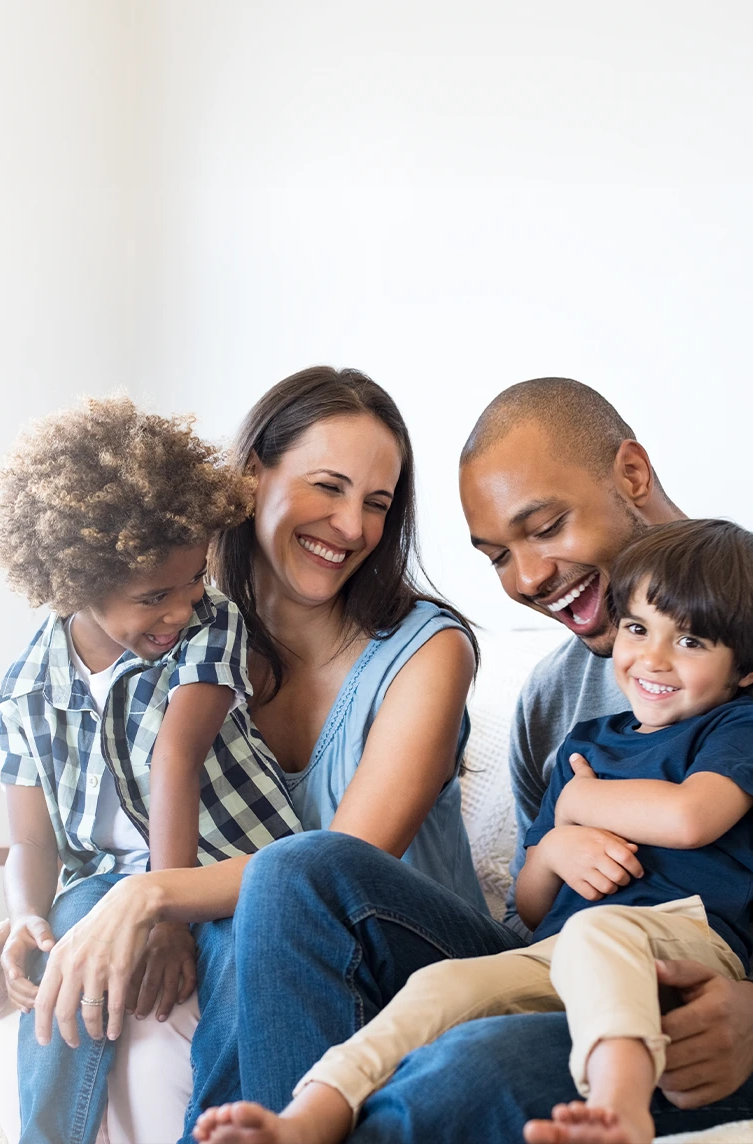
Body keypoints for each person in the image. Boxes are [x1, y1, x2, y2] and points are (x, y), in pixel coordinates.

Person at [169, 378, 753, 1143]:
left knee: (464, 1068)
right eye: (497, 557)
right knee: (295, 870)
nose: (528, 579)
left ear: (632, 476)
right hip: (560, 957)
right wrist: (555, 846)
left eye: (545, 527)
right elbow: (534, 913)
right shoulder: (555, 701)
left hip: (691, 986)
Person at [0, 367, 485, 1142]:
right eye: (328, 487)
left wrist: (153, 897)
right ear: (252, 475)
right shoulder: (177, 631)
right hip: (256, 924)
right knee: (91, 917)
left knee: (271, 892)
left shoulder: (426, 653)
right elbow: (95, 820)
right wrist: (33, 933)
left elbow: (339, 866)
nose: (353, 526)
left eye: (377, 502)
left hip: (399, 946)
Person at [0, 394, 302, 1143]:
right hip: (105, 882)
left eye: (193, 578)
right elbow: (33, 841)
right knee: (69, 937)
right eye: (153, 596)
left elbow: (175, 760)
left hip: (231, 865)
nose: (180, 606)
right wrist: (27, 916)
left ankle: (222, 1129)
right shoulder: (26, 690)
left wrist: (166, 912)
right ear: (73, 585)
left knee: (236, 962)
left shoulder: (208, 623)